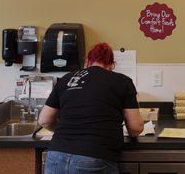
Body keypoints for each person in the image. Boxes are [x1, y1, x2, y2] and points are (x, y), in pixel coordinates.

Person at [39, 43, 144, 174]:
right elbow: (135, 128)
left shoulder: (67, 79)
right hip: (94, 157)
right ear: (112, 64)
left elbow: (44, 120)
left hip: (56, 156)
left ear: (87, 62)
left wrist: (69, 128)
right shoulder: (122, 81)